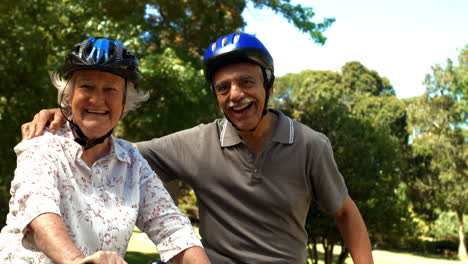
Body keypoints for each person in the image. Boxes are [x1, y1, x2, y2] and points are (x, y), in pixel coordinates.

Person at [21, 33, 374, 263]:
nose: (235, 95)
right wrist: (64, 118)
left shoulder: (310, 144)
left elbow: (344, 212)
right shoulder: (194, 143)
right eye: (223, 88)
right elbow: (43, 205)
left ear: (268, 84)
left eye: (246, 82)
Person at [2, 37, 210, 264]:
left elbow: (172, 228)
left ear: (124, 102)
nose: (97, 99)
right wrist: (76, 261)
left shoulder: (132, 162)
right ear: (69, 97)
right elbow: (38, 213)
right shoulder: (41, 144)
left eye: (110, 89)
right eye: (86, 86)